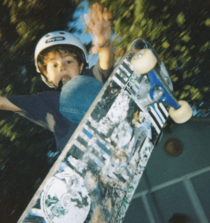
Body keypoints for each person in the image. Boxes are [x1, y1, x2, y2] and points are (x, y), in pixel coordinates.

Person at [0, 3, 114, 152]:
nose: (62, 67)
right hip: (80, 154)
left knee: (84, 87)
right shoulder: (46, 101)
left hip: (113, 133)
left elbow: (105, 63)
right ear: (47, 76)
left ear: (81, 66)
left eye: (68, 61)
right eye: (54, 65)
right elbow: (4, 103)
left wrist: (105, 45)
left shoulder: (91, 77)